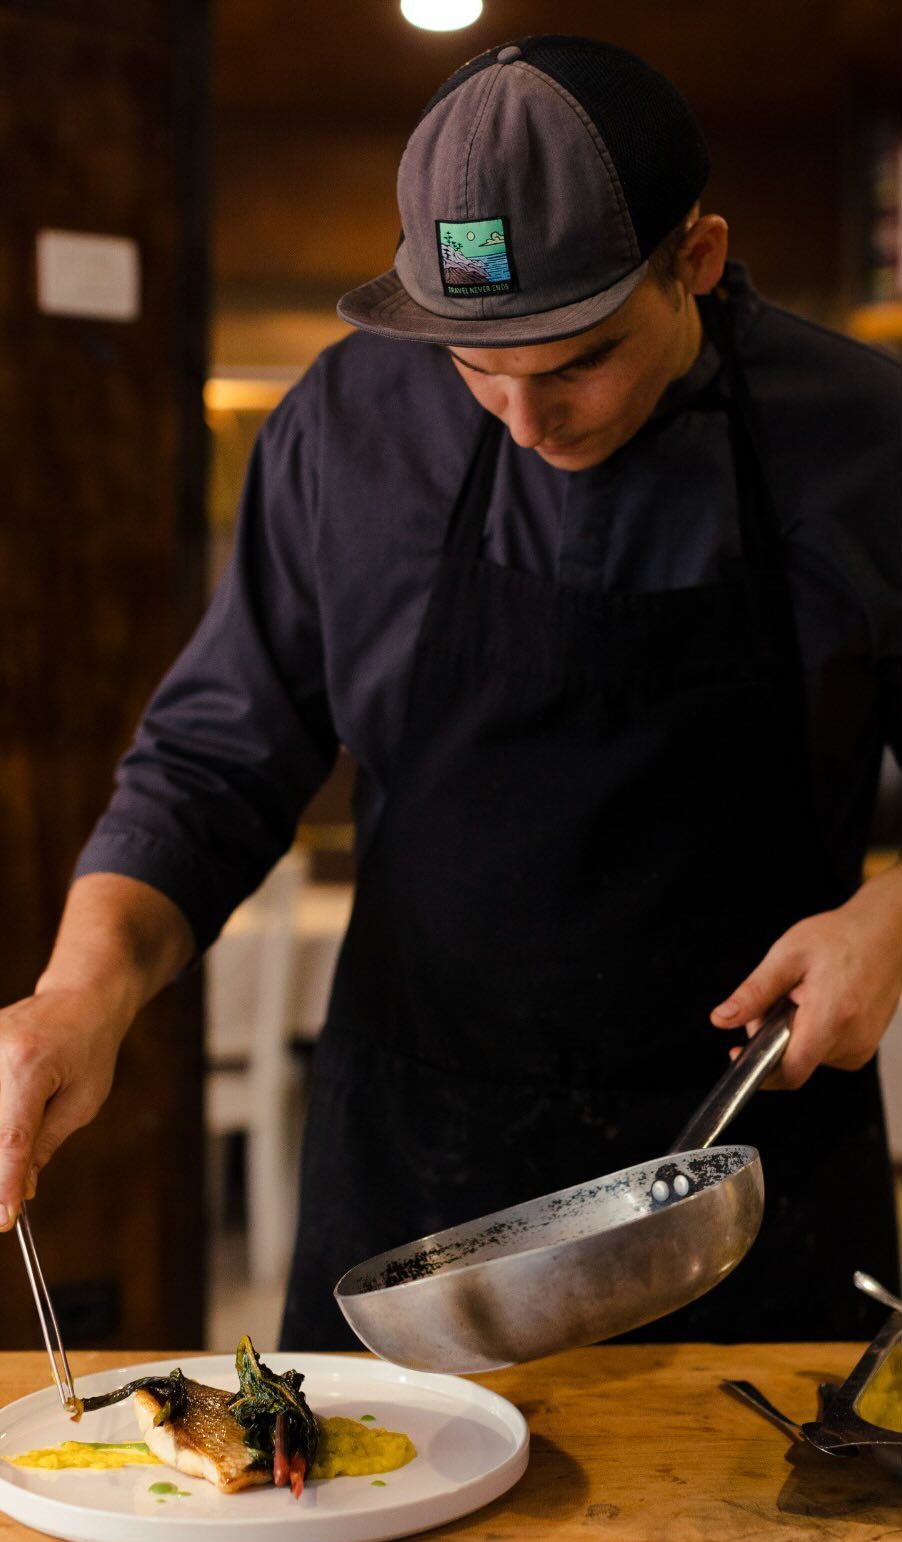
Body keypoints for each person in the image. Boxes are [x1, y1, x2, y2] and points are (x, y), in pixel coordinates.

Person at [1, 36, 900, 1347]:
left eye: (575, 360)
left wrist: (893, 913)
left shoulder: (862, 441)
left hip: (745, 1181)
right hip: (417, 1197)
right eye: (475, 369)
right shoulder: (345, 426)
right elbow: (211, 764)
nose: (525, 423)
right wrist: (81, 990)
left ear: (694, 260)